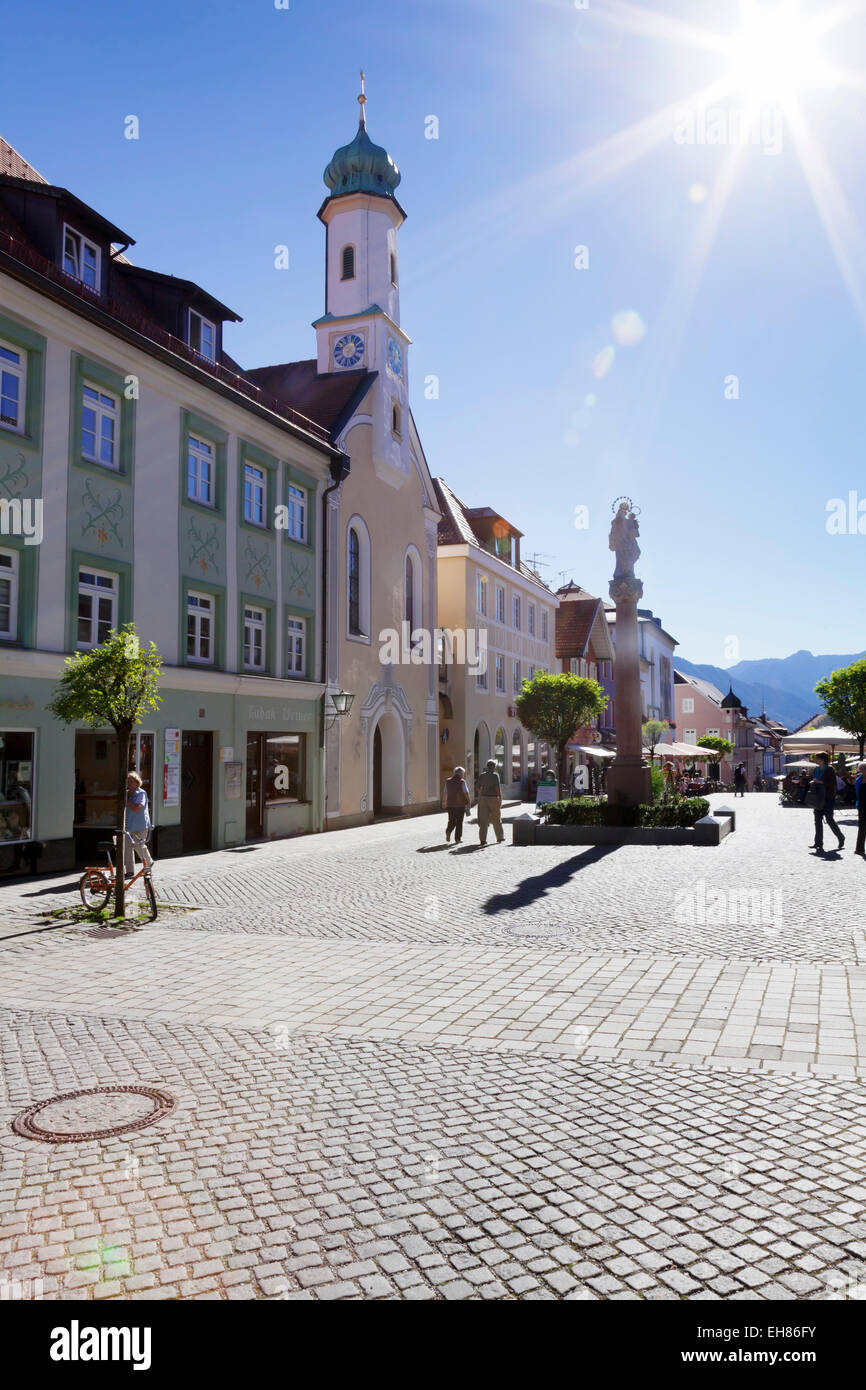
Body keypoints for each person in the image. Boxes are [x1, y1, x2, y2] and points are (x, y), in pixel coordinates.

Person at [808, 752, 845, 854]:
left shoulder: (829, 769)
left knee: (829, 819)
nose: (815, 760)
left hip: (828, 798)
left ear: (822, 759)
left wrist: (819, 782)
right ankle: (818, 843)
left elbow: (832, 783)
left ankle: (841, 837)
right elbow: (814, 779)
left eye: (817, 758)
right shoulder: (816, 769)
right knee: (817, 821)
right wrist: (812, 782)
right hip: (818, 798)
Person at [124, 771, 153, 878]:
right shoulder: (126, 793)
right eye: (128, 781)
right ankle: (130, 871)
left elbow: (137, 808)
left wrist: (127, 802)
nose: (129, 783)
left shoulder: (141, 793)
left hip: (140, 825)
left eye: (132, 782)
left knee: (139, 846)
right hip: (128, 825)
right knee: (127, 848)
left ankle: (148, 864)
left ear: (137, 783)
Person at [476, 758, 504, 846]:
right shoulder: (495, 775)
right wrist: (500, 799)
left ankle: (483, 840)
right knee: (496, 818)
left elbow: (477, 787)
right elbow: (497, 789)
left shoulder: (482, 775)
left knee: (483, 820)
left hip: (483, 799)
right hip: (493, 799)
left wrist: (481, 793)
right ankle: (499, 837)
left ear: (487, 766)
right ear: (494, 767)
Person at [442, 765, 470, 844]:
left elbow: (445, 792)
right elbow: (466, 793)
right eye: (463, 774)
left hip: (450, 804)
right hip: (460, 805)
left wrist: (444, 802)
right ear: (461, 774)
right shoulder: (462, 781)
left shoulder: (448, 781)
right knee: (459, 822)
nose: (463, 775)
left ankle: (448, 831)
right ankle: (457, 839)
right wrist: (469, 802)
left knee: (451, 820)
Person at [855, 760, 866, 857]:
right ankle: (859, 848)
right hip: (861, 806)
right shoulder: (858, 779)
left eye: (864, 768)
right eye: (861, 768)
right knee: (862, 827)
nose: (863, 770)